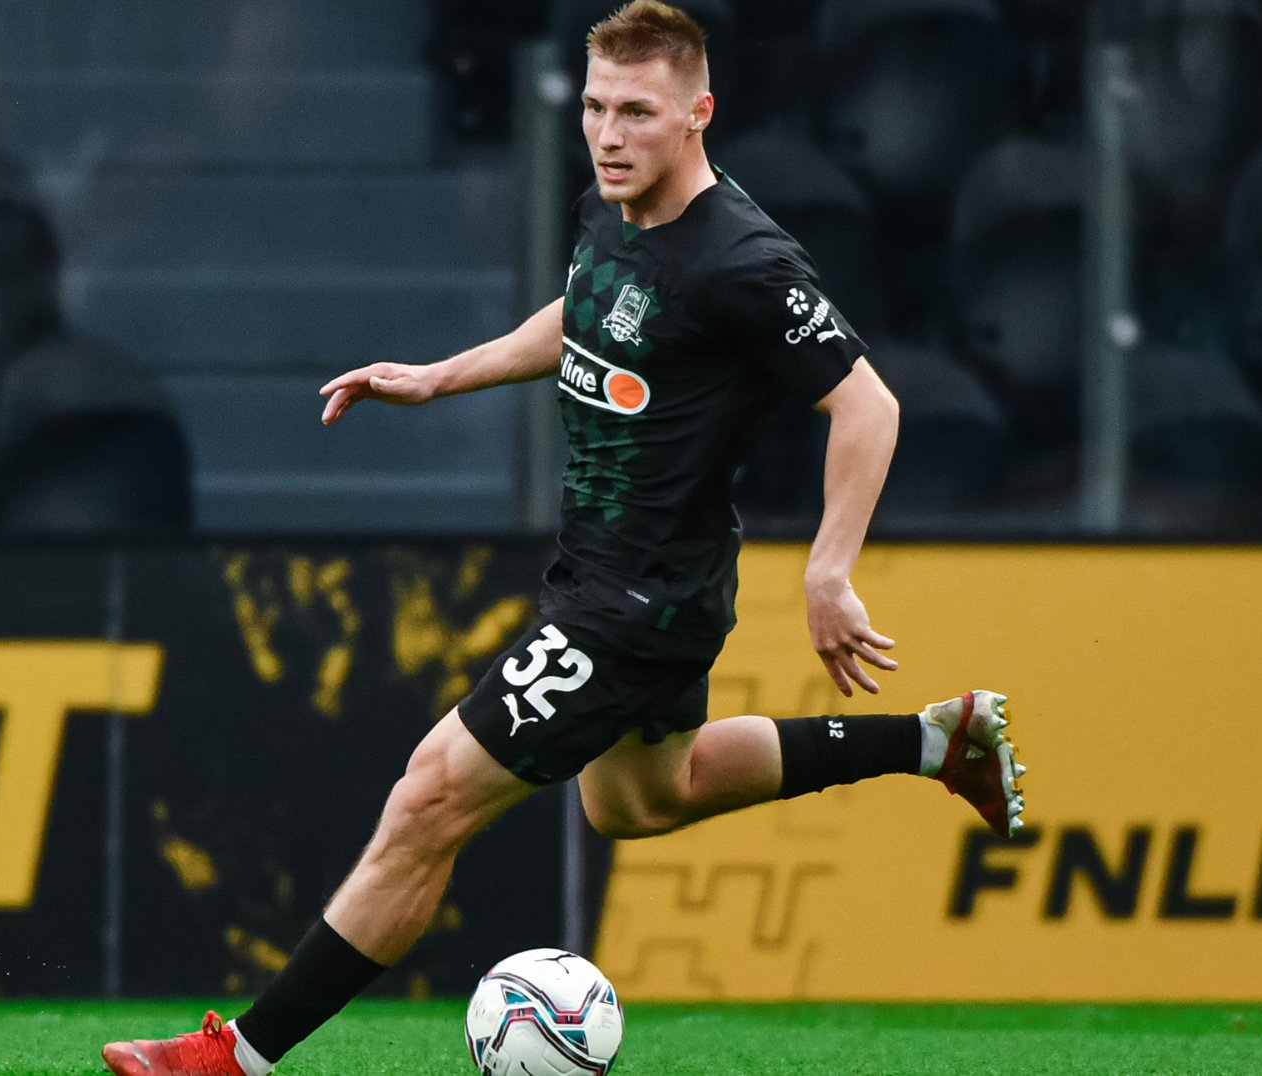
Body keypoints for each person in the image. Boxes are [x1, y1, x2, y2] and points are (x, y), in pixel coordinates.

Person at [101, 4, 1024, 1073]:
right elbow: (589, 308)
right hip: (615, 575)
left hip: (639, 603)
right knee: (645, 798)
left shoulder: (744, 262)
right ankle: (937, 741)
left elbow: (868, 406)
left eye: (637, 112)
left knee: (428, 797)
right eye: (594, 107)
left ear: (699, 113)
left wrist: (830, 570)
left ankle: (236, 1057)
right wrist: (441, 376)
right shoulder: (615, 204)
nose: (607, 134)